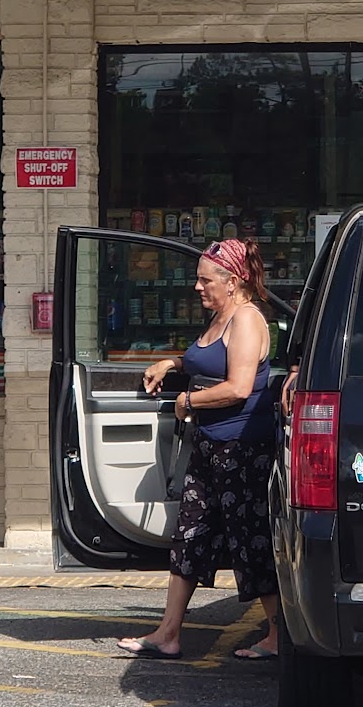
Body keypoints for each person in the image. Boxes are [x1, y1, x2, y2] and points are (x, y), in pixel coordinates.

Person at [119, 236, 280, 661]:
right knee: (189, 537)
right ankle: (167, 634)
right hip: (210, 446)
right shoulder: (219, 318)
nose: (197, 287)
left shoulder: (246, 319)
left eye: (206, 280)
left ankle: (278, 635)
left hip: (242, 449)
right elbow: (205, 360)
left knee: (250, 540)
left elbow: (239, 387)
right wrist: (171, 363)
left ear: (232, 281)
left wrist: (188, 401)